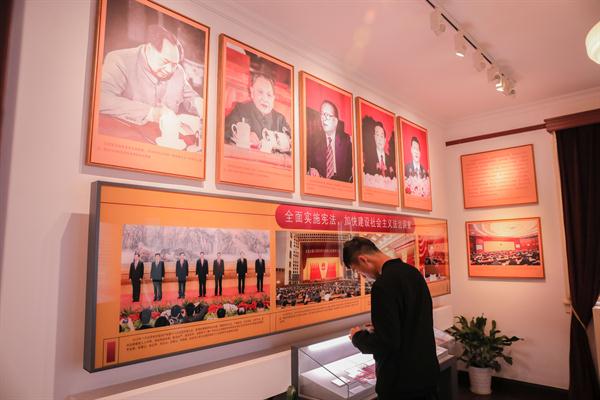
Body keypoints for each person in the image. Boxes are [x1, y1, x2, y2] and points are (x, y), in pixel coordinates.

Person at [343, 237, 439, 400]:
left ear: (363, 259)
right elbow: (412, 318)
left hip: (401, 382)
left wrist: (357, 337)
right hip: (426, 371)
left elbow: (387, 342)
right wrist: (381, 325)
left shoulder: (383, 284)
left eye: (358, 271)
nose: (363, 276)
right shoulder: (412, 272)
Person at [99, 25, 203, 130]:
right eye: (165, 61)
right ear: (149, 48)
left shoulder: (178, 72)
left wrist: (202, 106)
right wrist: (151, 113)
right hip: (127, 134)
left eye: (174, 64)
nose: (169, 70)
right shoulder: (120, 60)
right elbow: (102, 99)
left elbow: (190, 97)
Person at [224, 72, 291, 154]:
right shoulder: (240, 109)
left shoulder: (280, 120)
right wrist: (243, 136)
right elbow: (224, 131)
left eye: (269, 95)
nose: (265, 99)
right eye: (260, 92)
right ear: (252, 93)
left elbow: (292, 143)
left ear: (273, 98)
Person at [306, 100, 353, 182]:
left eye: (328, 115)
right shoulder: (313, 139)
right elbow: (307, 162)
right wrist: (311, 169)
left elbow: (350, 171)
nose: (324, 119)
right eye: (322, 114)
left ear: (335, 121)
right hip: (321, 183)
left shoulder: (346, 140)